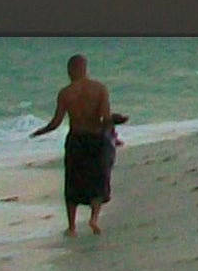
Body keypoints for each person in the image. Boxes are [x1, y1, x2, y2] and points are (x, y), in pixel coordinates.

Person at [30, 55, 126, 233]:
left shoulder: (66, 93)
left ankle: (72, 226)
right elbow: (105, 119)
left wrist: (40, 131)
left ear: (71, 70)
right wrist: (116, 123)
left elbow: (56, 122)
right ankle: (94, 219)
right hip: (96, 139)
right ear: (85, 68)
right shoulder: (99, 89)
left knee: (73, 181)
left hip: (76, 139)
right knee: (99, 179)